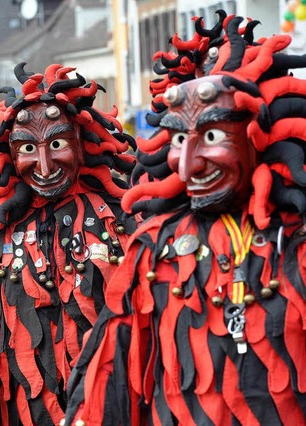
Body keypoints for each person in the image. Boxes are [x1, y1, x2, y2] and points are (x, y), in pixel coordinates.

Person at [65, 15, 306, 425]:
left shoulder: (297, 246)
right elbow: (111, 378)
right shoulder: (153, 252)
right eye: (180, 139)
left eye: (212, 137)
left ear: (258, 137)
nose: (189, 163)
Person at [0, 63, 136, 425]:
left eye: (58, 144)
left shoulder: (121, 221)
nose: (45, 165)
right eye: (29, 148)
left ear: (82, 146)